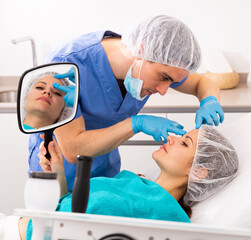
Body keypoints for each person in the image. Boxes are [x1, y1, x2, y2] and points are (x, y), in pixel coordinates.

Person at [28, 15, 226, 191]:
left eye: (171, 82)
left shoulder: (161, 58)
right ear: (142, 51)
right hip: (59, 177)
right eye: (163, 77)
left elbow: (202, 82)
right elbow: (73, 149)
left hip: (107, 177)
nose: (164, 91)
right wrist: (136, 123)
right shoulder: (67, 66)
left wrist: (209, 100)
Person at [18, 125, 238, 240]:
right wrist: (58, 174)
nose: (171, 138)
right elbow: (72, 212)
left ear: (198, 171)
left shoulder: (172, 219)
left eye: (184, 143)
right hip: (24, 226)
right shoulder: (132, 180)